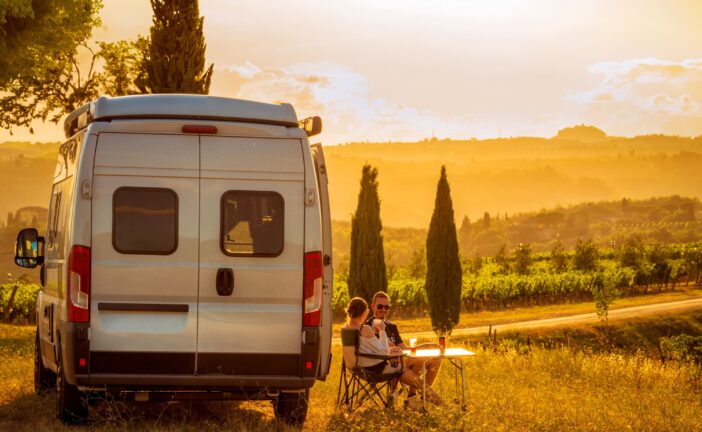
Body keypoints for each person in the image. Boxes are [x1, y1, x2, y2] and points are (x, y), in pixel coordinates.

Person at [342, 297, 440, 406]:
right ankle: (434, 400)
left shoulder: (345, 329)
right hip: (375, 370)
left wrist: (391, 351)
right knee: (404, 367)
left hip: (359, 368)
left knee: (412, 362)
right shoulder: (365, 329)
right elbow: (383, 350)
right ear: (364, 312)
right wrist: (382, 331)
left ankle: (414, 397)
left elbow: (367, 350)